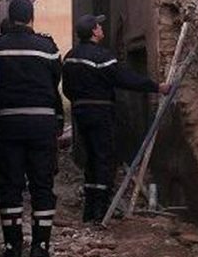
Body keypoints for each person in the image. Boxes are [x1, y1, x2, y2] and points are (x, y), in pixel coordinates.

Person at [62, 14, 169, 223]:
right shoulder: (102, 57)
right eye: (99, 26)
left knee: (91, 159)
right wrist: (156, 87)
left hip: (80, 113)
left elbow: (67, 88)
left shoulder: (70, 57)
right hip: (100, 112)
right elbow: (126, 79)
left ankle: (89, 211)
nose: (102, 28)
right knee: (104, 158)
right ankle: (101, 211)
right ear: (94, 31)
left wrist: (79, 101)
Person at [0, 0, 63, 257]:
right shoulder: (48, 47)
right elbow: (55, 79)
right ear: (32, 18)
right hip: (42, 124)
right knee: (42, 185)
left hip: (8, 124)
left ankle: (12, 248)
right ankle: (40, 248)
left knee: (10, 185)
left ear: (10, 18)